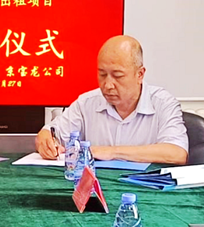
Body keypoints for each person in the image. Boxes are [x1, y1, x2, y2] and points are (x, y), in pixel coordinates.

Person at [35, 35, 188, 164]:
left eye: (118, 76)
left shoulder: (163, 103)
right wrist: (45, 138)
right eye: (102, 74)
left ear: (140, 74)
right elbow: (53, 133)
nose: (107, 85)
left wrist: (111, 152)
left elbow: (177, 153)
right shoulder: (86, 103)